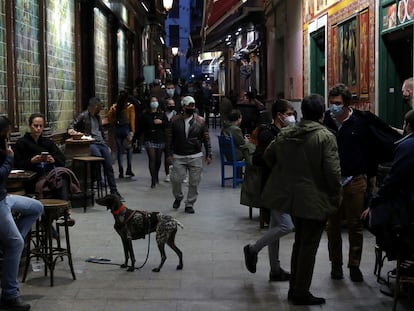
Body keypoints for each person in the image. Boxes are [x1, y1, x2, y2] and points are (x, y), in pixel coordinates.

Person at [261, 94, 341, 305]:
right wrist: (335, 197)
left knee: (299, 243)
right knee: (309, 246)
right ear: (322, 115)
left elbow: (268, 157)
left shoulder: (286, 133)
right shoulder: (325, 137)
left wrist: (286, 173)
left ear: (302, 113)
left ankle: (294, 288)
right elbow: (333, 173)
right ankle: (300, 292)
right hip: (315, 199)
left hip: (292, 197)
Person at [324, 83, 399, 282]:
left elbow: (377, 140)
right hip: (331, 182)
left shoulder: (360, 121)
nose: (334, 107)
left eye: (338, 103)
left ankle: (354, 265)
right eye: (331, 103)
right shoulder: (326, 121)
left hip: (355, 180)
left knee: (355, 224)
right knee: (332, 226)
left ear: (347, 104)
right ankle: (336, 265)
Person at [242, 99, 296, 281]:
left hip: (284, 186)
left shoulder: (286, 132)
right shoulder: (268, 134)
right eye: (289, 114)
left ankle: (275, 269)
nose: (292, 117)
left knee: (275, 226)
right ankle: (253, 249)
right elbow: (258, 159)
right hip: (274, 186)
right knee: (286, 226)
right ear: (279, 116)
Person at [0, 116, 44, 311]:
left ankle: (7, 245)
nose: (9, 134)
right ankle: (9, 295)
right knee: (17, 242)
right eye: (8, 131)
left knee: (36, 207)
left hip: (5, 197)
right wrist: (8, 158)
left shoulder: (3, 145)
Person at [362, 109, 414, 259]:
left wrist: (374, 202)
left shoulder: (406, 146)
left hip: (409, 203)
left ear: (408, 126)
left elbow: (393, 180)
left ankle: (401, 253)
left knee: (370, 217)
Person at [14, 113, 79, 226]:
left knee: (62, 176)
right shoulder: (22, 143)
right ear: (30, 126)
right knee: (59, 180)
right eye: (35, 125)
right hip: (32, 179)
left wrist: (52, 159)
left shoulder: (47, 143)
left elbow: (61, 159)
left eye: (41, 126)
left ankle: (63, 214)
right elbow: (17, 164)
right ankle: (58, 215)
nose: (38, 128)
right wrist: (32, 161)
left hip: (49, 175)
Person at [68, 97, 123, 199]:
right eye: (99, 107)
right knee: (97, 157)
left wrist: (106, 145)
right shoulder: (83, 115)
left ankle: (114, 191)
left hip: (100, 142)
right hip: (91, 142)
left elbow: (101, 132)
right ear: (94, 107)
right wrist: (73, 131)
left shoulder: (97, 117)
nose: (100, 110)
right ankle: (98, 180)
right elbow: (72, 126)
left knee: (109, 165)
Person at [165, 96, 212, 214]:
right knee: (176, 179)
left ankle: (190, 204)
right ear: (183, 106)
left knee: (194, 182)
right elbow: (169, 138)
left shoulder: (200, 121)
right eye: (189, 105)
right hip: (179, 155)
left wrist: (209, 153)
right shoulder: (175, 121)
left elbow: (206, 138)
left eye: (193, 105)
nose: (192, 107)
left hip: (195, 155)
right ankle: (178, 196)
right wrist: (168, 154)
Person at [141, 96, 168, 188]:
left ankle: (156, 174)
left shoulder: (162, 114)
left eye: (155, 101)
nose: (154, 103)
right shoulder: (145, 114)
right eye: (152, 101)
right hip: (149, 139)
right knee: (152, 159)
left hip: (160, 138)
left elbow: (167, 125)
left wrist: (161, 122)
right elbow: (141, 127)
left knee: (158, 160)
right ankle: (153, 179)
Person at [108, 90, 136, 178]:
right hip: (126, 128)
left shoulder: (114, 107)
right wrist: (132, 131)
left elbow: (110, 117)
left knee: (119, 151)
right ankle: (129, 169)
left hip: (117, 129)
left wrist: (113, 124)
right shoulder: (130, 106)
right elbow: (132, 120)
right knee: (129, 149)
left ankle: (121, 171)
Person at [163, 98, 177, 182]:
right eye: (169, 104)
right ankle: (167, 173)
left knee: (175, 156)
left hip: (175, 138)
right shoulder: (163, 114)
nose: (171, 106)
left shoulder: (176, 114)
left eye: (173, 104)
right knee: (167, 155)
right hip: (165, 138)